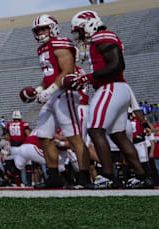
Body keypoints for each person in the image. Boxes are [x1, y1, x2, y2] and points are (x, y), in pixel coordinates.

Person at [64, 10, 153, 189]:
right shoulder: (100, 39)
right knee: (118, 135)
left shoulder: (102, 36)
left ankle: (107, 176)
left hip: (110, 87)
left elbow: (117, 64)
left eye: (79, 31)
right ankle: (142, 176)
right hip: (118, 88)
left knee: (95, 129)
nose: (79, 35)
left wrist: (89, 77)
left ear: (88, 25)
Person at [20, 14, 92, 188]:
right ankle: (54, 177)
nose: (41, 32)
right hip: (52, 95)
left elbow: (67, 71)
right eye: (38, 30)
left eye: (44, 28)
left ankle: (84, 177)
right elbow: (48, 76)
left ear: (53, 28)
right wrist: (37, 91)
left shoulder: (61, 43)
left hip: (64, 94)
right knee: (43, 136)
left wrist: (49, 90)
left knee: (74, 137)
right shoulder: (42, 49)